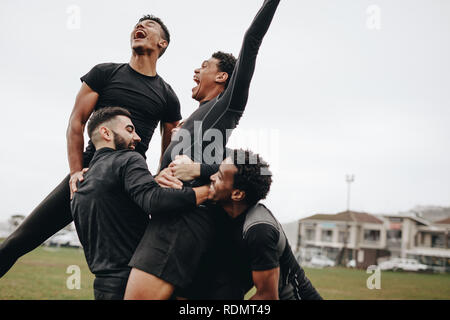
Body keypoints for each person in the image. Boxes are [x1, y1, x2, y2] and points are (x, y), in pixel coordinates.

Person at [0, 15, 182, 277]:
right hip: (89, 171)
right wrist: (75, 171)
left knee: (144, 265)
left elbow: (171, 147)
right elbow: (76, 122)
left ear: (162, 43)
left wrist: (154, 180)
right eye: (137, 25)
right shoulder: (105, 73)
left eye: (149, 26)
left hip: (130, 179)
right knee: (19, 241)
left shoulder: (167, 95)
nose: (139, 27)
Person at [124, 0, 282, 300]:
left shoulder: (226, 108)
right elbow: (220, 162)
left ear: (223, 77)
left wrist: (196, 170)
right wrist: (160, 178)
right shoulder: (195, 123)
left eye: (205, 66)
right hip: (172, 215)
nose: (196, 70)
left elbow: (251, 42)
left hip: (186, 219)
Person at [71, 107, 210, 300]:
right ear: (106, 132)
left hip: (103, 286)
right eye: (129, 130)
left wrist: (152, 180)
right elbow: (154, 201)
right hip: (135, 283)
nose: (137, 137)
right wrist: (209, 192)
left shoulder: (80, 182)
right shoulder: (128, 159)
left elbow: (118, 206)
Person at [206, 149, 323, 300]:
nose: (211, 177)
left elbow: (267, 297)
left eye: (220, 176)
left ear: (237, 194)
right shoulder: (231, 212)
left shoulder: (259, 230)